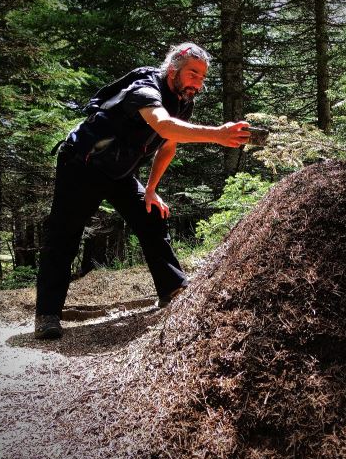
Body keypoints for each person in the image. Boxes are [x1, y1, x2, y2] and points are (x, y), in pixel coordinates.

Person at [34, 43, 250, 339]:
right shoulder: (145, 88)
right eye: (193, 74)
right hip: (82, 164)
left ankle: (172, 290)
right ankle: (47, 315)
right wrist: (217, 135)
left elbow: (168, 145)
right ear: (173, 70)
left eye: (202, 77)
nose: (197, 83)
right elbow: (164, 126)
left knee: (151, 215)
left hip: (120, 171)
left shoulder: (183, 100)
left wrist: (150, 189)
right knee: (64, 234)